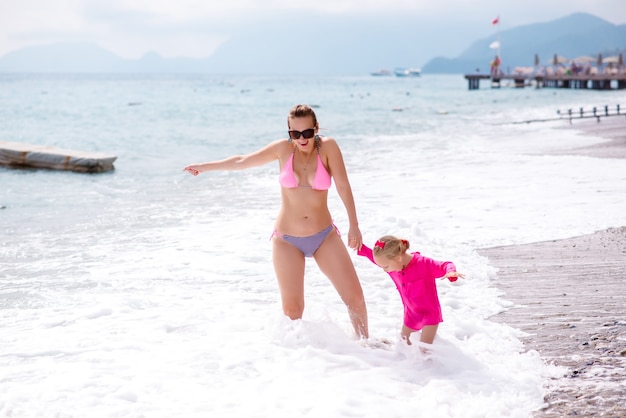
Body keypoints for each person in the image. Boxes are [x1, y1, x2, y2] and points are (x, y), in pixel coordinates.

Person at [183, 104, 369, 339]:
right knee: (292, 311)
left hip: (323, 235)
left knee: (355, 298)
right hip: (287, 240)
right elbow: (242, 161)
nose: (302, 139)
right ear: (289, 131)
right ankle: (299, 361)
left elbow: (343, 185)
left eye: (307, 133)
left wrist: (354, 225)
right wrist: (204, 167)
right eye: (295, 134)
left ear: (316, 129)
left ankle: (365, 346)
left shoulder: (328, 148)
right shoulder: (283, 149)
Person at [357, 235, 463, 345]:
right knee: (403, 347)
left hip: (429, 315)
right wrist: (361, 248)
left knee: (425, 350)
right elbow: (376, 259)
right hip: (411, 315)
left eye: (386, 267)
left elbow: (445, 265)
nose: (384, 270)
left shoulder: (423, 264)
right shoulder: (393, 266)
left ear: (398, 258)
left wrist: (451, 272)